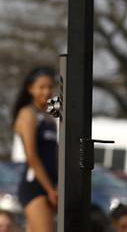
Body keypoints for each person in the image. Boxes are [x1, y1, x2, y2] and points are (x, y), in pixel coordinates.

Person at [12, 67, 58, 232]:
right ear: (30, 89)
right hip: (35, 186)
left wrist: (57, 184)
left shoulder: (49, 116)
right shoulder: (28, 114)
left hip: (50, 184)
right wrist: (50, 190)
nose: (46, 92)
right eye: (41, 87)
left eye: (50, 87)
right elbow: (31, 156)